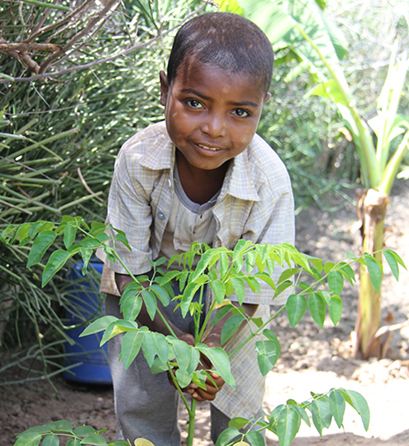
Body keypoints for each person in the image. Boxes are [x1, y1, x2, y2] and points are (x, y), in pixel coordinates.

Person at [96, 11, 294, 446]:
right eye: (194, 102)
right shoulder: (138, 160)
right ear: (165, 89)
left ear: (262, 107)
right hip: (148, 296)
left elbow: (256, 287)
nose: (214, 128)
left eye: (240, 111)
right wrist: (171, 345)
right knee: (141, 401)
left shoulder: (270, 181)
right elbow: (128, 267)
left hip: (233, 309)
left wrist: (212, 348)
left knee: (239, 408)